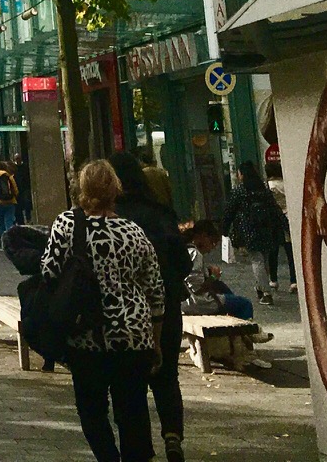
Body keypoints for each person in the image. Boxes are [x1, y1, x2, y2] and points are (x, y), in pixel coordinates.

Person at [39, 161, 165, 462]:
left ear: (81, 189)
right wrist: (156, 342)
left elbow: (48, 271)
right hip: (134, 337)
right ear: (115, 189)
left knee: (92, 410)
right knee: (132, 410)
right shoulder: (133, 231)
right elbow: (156, 291)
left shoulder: (67, 225)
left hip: (87, 335)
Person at [111, 151, 191, 462]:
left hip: (125, 313)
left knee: (131, 382)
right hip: (167, 308)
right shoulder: (160, 213)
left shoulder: (111, 219)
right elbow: (182, 263)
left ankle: (138, 447)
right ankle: (172, 434)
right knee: (167, 375)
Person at [221, 163, 285, 304]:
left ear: (242, 174)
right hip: (266, 228)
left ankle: (266, 292)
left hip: (249, 229)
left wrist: (224, 229)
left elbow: (229, 211)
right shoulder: (263, 189)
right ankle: (261, 286)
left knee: (257, 260)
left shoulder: (240, 190)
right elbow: (274, 208)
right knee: (264, 259)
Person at [182, 221, 254, 319]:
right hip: (196, 302)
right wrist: (213, 277)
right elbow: (197, 289)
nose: (211, 249)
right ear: (203, 236)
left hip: (187, 301)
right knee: (245, 304)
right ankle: (245, 330)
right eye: (212, 242)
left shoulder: (185, 250)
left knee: (223, 290)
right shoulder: (194, 254)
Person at [266, 165, 296, 292]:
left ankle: (273, 279)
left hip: (273, 221)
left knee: (273, 252)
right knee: (290, 252)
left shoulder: (268, 185)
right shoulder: (286, 184)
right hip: (287, 218)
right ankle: (294, 280)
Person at [0, 159, 20, 245]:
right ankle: (10, 242)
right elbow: (15, 190)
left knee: (0, 223)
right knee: (9, 221)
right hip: (10, 202)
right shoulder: (9, 176)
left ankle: (3, 243)